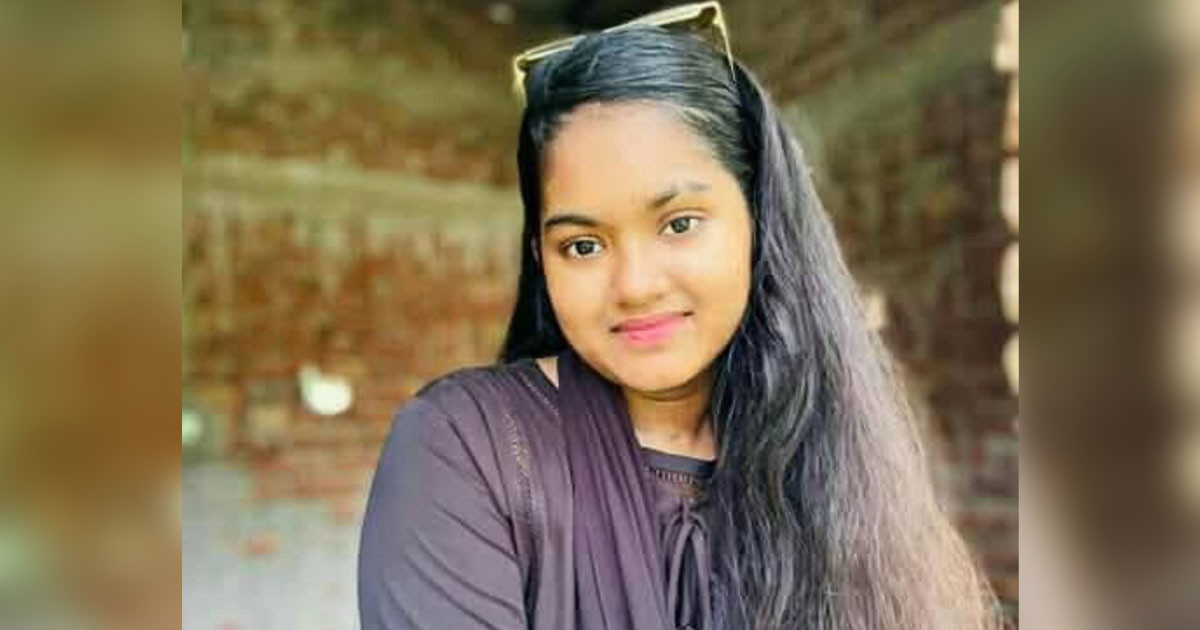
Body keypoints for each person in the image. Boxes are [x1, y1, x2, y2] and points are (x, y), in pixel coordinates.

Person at [358, 9, 998, 630]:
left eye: (679, 224)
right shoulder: (465, 447)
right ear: (540, 258)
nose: (636, 285)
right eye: (583, 245)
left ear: (759, 220)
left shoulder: (847, 459)